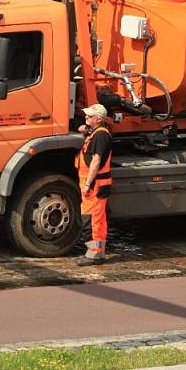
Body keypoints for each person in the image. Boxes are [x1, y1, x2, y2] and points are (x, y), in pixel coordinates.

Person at [75, 103, 112, 266]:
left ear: (98, 119)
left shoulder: (101, 135)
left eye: (89, 116)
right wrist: (85, 131)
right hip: (97, 182)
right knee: (99, 218)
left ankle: (93, 255)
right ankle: (99, 252)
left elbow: (96, 160)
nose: (86, 118)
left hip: (95, 184)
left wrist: (88, 183)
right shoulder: (97, 132)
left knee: (91, 219)